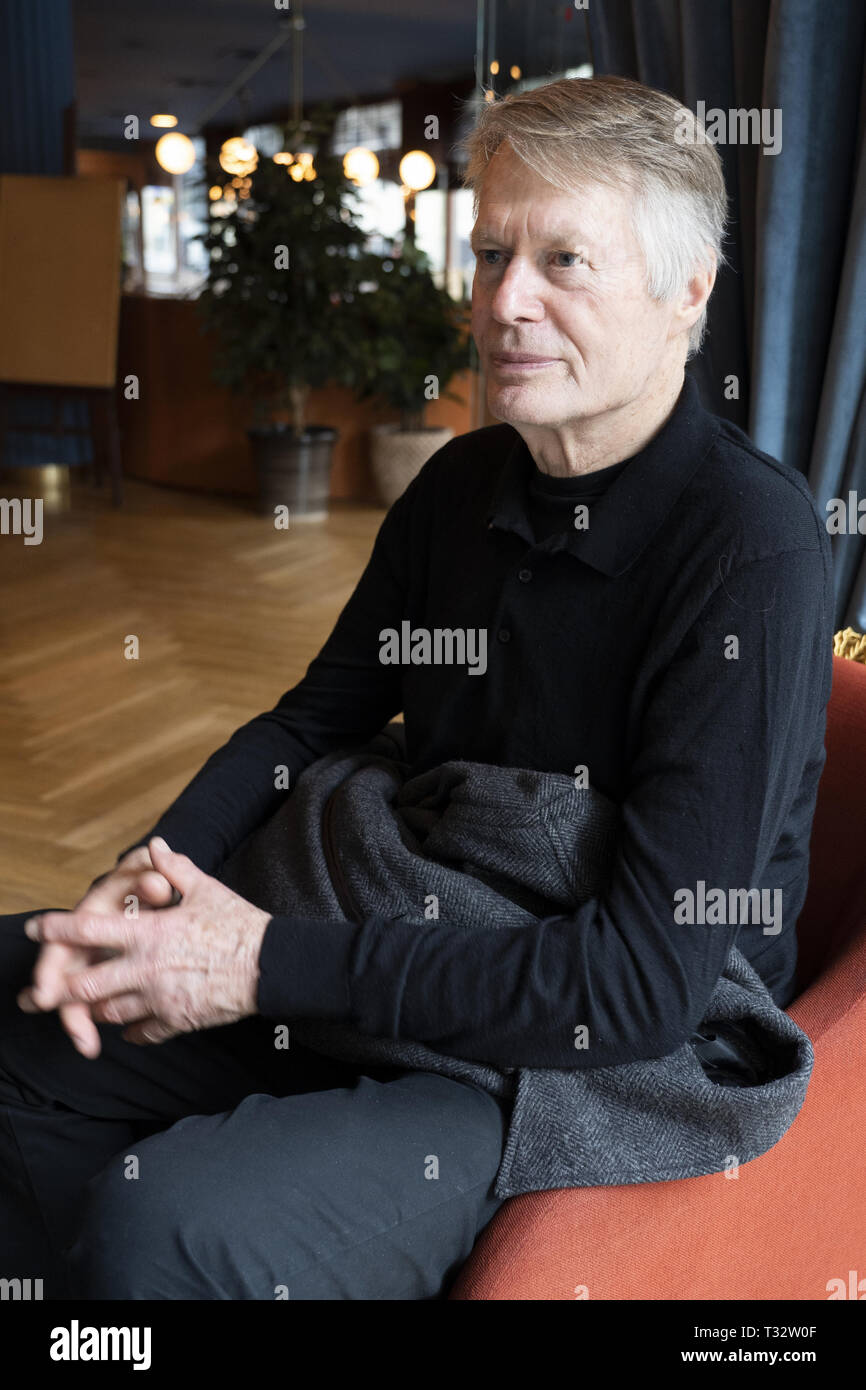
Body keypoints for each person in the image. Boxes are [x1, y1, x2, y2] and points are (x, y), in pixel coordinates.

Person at [0, 74, 833, 1300]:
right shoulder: (460, 487)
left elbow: (643, 987)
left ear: (686, 292)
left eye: (562, 259)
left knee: (171, 1230)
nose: (505, 301)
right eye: (491, 249)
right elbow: (308, 723)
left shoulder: (746, 550)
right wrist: (157, 868)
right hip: (408, 943)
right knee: (21, 997)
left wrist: (258, 962)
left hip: (579, 1055)